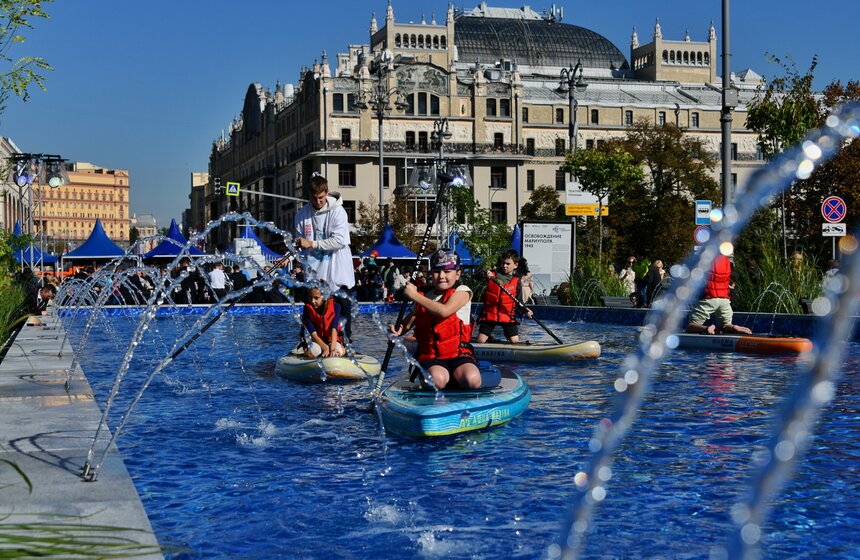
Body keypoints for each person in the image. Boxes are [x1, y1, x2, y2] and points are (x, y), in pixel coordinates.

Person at [389, 249, 482, 390]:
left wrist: (414, 296)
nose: (442, 276)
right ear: (431, 273)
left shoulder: (462, 291)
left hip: (459, 354)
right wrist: (397, 329)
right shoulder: (424, 295)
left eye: (447, 271)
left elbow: (444, 311)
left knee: (472, 380)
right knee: (437, 380)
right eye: (437, 271)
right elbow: (406, 325)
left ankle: (455, 378)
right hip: (431, 357)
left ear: (458, 274)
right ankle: (438, 379)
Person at [294, 173, 355, 338]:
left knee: (341, 309)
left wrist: (312, 243)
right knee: (311, 308)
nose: (318, 202)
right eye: (314, 198)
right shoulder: (302, 215)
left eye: (321, 197)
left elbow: (339, 241)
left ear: (326, 193)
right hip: (315, 272)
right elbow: (299, 243)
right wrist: (290, 254)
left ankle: (344, 342)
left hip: (337, 271)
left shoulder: (338, 212)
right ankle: (306, 342)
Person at [476, 249, 533, 344]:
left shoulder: (516, 281)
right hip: (490, 315)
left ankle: (494, 341)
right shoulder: (493, 275)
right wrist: (484, 273)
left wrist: (526, 310)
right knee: (481, 340)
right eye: (503, 263)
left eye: (507, 264)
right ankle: (489, 340)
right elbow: (476, 276)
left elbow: (518, 300)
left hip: (507, 315)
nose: (504, 266)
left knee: (515, 342)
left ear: (515, 265)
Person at [687, 253, 752, 335]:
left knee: (691, 326)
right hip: (724, 300)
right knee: (726, 325)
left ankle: (707, 328)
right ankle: (733, 326)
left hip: (708, 298)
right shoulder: (727, 261)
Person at [299, 286, 345, 358]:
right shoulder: (307, 309)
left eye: (316, 298)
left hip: (332, 340)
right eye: (310, 298)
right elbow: (313, 333)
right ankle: (307, 350)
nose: (312, 301)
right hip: (316, 341)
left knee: (337, 351)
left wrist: (332, 348)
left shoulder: (336, 306)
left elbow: (334, 328)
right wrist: (325, 347)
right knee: (314, 351)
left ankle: (342, 349)